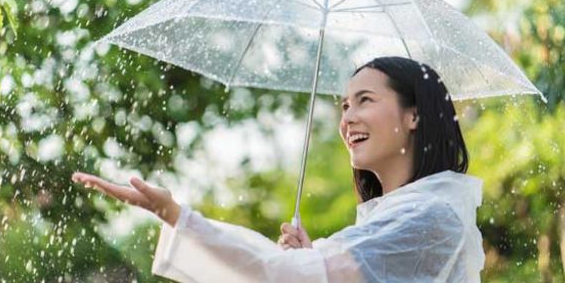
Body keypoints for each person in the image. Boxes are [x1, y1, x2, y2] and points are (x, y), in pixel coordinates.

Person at [72, 56, 485, 282]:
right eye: (344, 105)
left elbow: (281, 274)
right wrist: (311, 259)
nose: (347, 118)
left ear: (413, 116)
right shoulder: (398, 218)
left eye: (365, 101)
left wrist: (177, 216)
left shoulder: (430, 217)